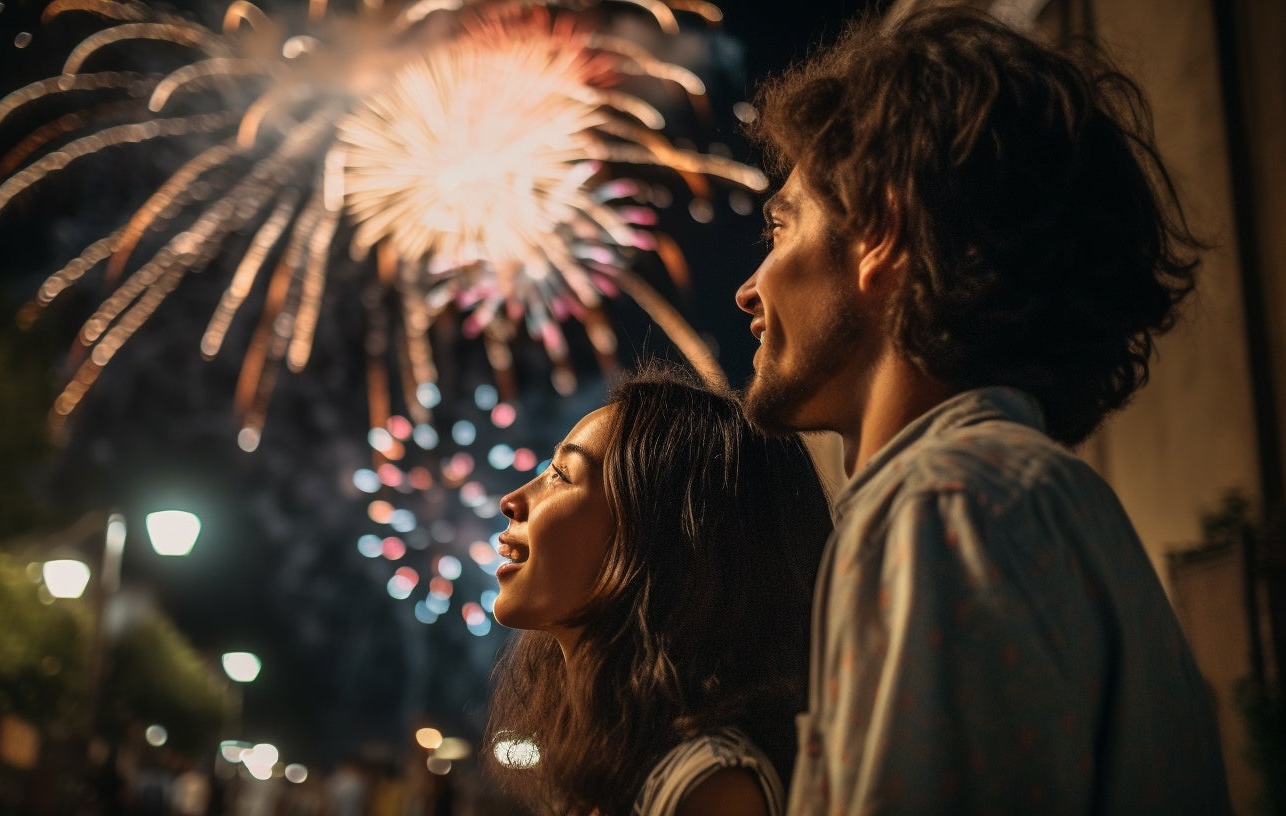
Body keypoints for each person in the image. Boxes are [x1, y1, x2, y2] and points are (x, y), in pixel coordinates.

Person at [734, 5, 1230, 814]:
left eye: (782, 227)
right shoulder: (1031, 499)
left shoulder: (943, 506)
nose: (750, 288)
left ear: (883, 233)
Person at [484, 364, 834, 816]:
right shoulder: (620, 763)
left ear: (655, 538)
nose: (511, 500)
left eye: (561, 474)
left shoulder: (709, 788)